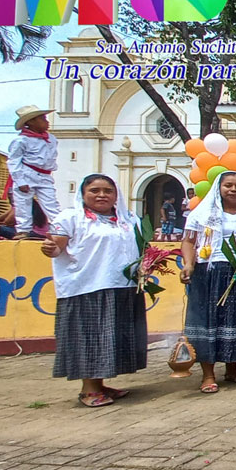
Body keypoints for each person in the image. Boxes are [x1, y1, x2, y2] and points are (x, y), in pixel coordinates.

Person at [40, 174, 147, 407]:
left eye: (108, 191)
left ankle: (100, 384)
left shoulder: (129, 219)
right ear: (83, 193)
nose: (101, 195)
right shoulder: (71, 217)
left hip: (121, 286)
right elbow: (57, 247)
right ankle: (88, 390)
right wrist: (50, 248)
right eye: (95, 191)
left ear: (116, 195)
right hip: (87, 287)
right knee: (89, 338)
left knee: (108, 339)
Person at [180, 171, 236, 392]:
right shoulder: (201, 214)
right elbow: (189, 241)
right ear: (218, 188)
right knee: (210, 321)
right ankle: (208, 375)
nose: (233, 189)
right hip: (211, 271)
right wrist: (188, 264)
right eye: (228, 185)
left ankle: (232, 369)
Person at [7, 105, 61, 238]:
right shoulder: (21, 140)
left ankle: (60, 228)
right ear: (31, 122)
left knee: (51, 203)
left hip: (45, 175)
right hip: (27, 173)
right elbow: (13, 161)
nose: (47, 122)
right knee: (23, 203)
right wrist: (20, 181)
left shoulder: (51, 139)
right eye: (43, 119)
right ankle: (23, 230)